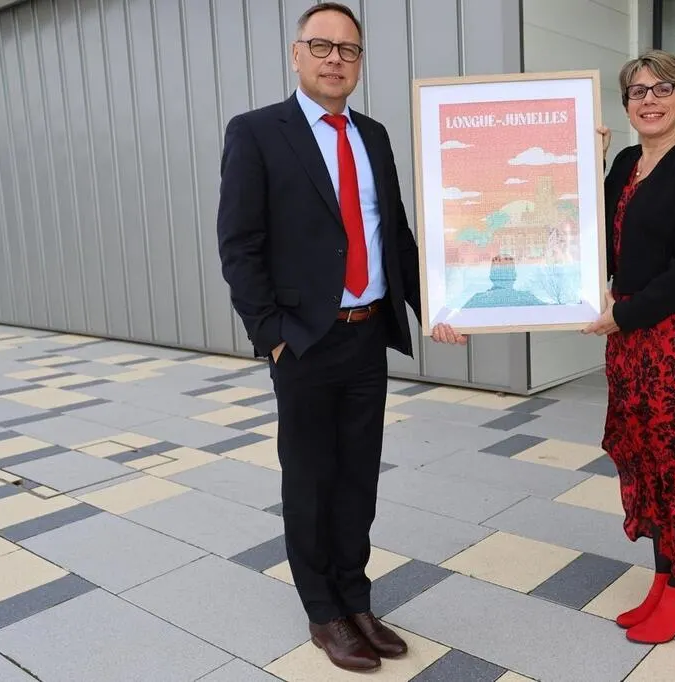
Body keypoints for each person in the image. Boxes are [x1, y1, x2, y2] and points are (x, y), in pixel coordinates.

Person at [216, 2, 456, 672]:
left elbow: (394, 235)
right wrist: (271, 335)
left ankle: (356, 599)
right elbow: (239, 244)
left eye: (348, 49)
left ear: (359, 62)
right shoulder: (257, 132)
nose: (334, 59)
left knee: (357, 478)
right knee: (310, 478)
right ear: (296, 54)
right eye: (321, 46)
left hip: (366, 335)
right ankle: (323, 611)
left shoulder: (373, 135)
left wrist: (437, 305)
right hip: (304, 340)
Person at [581, 49, 675, 645]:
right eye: (637, 91)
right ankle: (664, 582)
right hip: (631, 341)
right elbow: (595, 236)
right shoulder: (625, 162)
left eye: (662, 88)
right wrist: (589, 164)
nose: (649, 100)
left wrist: (623, 313)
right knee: (647, 459)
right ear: (626, 104)